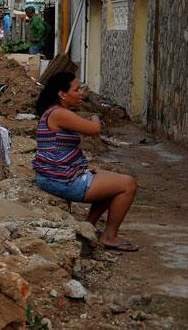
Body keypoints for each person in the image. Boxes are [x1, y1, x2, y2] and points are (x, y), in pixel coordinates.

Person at [34, 72, 139, 251]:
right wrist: (95, 117)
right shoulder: (59, 113)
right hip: (61, 179)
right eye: (77, 89)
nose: (81, 93)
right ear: (62, 94)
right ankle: (109, 236)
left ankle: (88, 227)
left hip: (55, 175)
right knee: (128, 184)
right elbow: (94, 128)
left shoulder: (56, 112)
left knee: (110, 179)